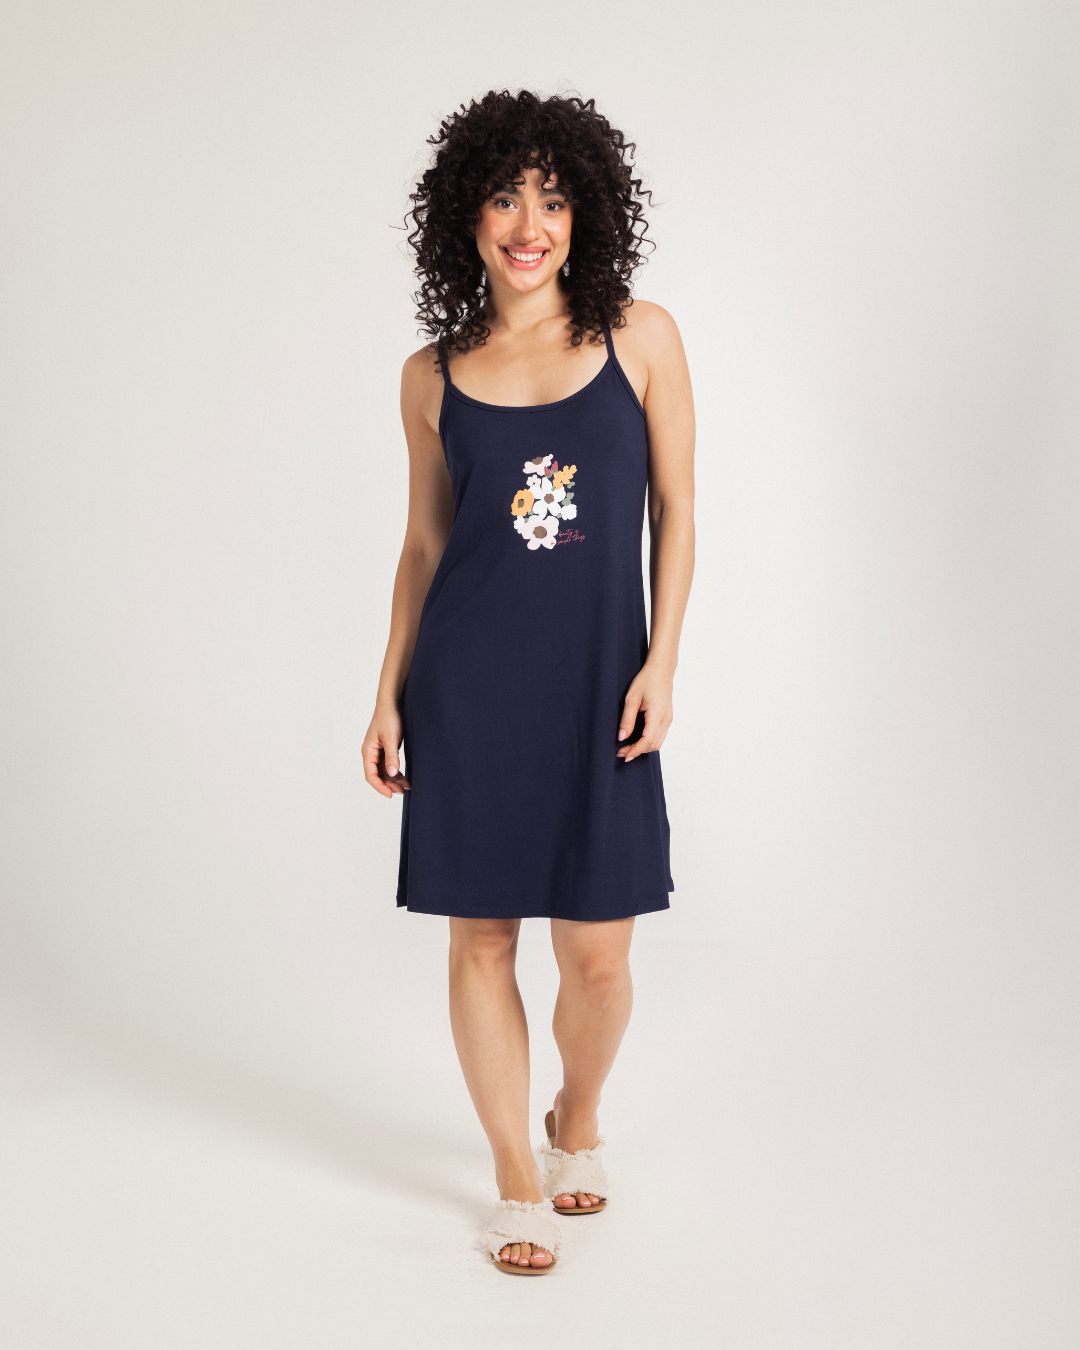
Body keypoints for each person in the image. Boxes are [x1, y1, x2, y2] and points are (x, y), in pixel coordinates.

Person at [362, 89, 695, 1275]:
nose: (528, 224)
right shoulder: (430, 376)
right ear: (467, 214)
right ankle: (516, 1176)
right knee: (484, 940)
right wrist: (388, 692)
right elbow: (423, 546)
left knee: (599, 958)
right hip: (468, 688)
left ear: (584, 213)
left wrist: (663, 659)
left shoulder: (641, 337)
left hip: (603, 684)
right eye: (505, 198)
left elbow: (678, 507)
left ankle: (576, 1116)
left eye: (552, 200)